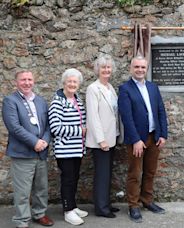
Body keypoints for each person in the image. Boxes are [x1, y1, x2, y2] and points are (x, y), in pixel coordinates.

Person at [118, 56, 168, 223]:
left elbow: (161, 111)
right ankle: (133, 205)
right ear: (131, 68)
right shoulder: (125, 89)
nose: (140, 70)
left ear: (146, 69)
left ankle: (147, 200)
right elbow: (126, 117)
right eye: (137, 67)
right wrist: (135, 140)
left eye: (142, 67)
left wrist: (163, 134)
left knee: (150, 171)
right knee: (134, 173)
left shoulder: (153, 87)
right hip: (137, 139)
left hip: (154, 136)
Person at [2, 70, 54, 228]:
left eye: (29, 79)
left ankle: (39, 214)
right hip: (23, 153)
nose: (27, 83)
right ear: (16, 82)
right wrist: (34, 142)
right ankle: (22, 219)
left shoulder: (41, 101)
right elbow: (14, 127)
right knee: (22, 191)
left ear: (34, 81)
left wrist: (44, 141)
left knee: (41, 188)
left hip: (41, 152)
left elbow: (48, 126)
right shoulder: (10, 101)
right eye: (23, 80)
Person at [48, 68, 88, 225]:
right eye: (69, 81)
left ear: (79, 84)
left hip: (77, 149)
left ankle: (73, 206)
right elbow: (55, 128)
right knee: (68, 180)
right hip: (64, 150)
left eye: (75, 82)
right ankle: (68, 211)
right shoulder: (57, 102)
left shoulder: (77, 100)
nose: (72, 84)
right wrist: (80, 131)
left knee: (74, 178)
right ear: (64, 83)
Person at [86, 55, 120, 218]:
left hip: (111, 137)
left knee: (107, 174)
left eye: (108, 67)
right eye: (103, 67)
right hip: (102, 141)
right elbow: (93, 117)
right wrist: (101, 140)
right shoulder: (93, 88)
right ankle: (101, 208)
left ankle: (106, 203)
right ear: (97, 70)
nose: (106, 70)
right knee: (101, 174)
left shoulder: (110, 87)